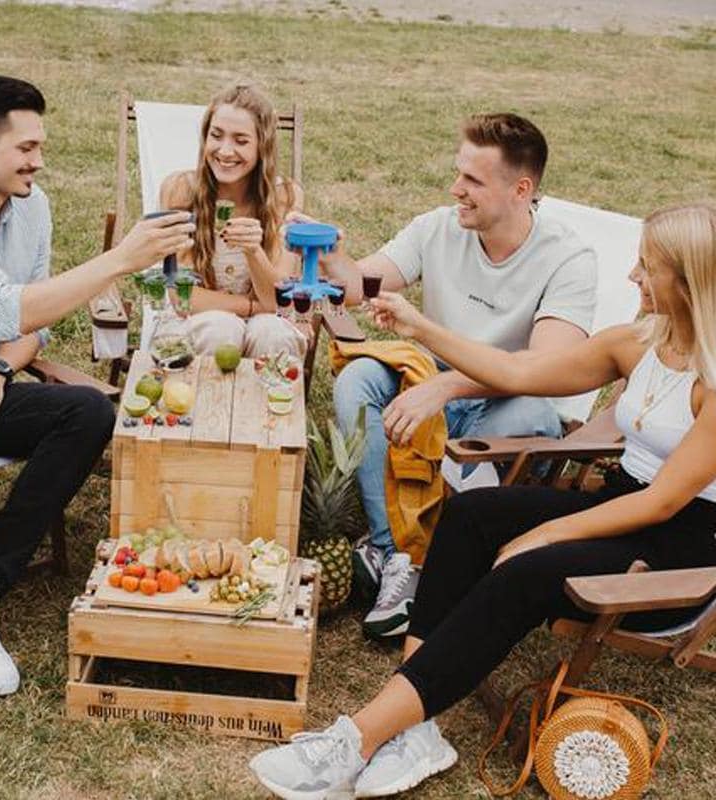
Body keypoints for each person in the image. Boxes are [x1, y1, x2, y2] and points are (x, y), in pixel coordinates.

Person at [250, 202, 716, 799]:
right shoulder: (638, 342)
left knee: (524, 570)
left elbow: (663, 504)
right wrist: (422, 329)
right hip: (623, 503)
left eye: (647, 267)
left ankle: (358, 739)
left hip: (677, 549)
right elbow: (518, 372)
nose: (632, 276)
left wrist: (544, 534)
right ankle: (414, 725)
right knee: (472, 515)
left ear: (689, 281)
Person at [0, 75, 192, 726]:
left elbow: (30, 324)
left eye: (40, 147)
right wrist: (119, 260)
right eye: (27, 147)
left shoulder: (32, 207)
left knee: (88, 411)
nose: (38, 161)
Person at [322, 113, 597, 638]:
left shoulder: (568, 257)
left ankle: (445, 552)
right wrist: (335, 260)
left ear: (521, 189)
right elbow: (361, 286)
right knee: (358, 379)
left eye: (472, 180)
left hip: (508, 395)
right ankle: (397, 553)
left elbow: (545, 369)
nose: (455, 189)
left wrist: (447, 385)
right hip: (429, 377)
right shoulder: (438, 227)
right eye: (458, 173)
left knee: (532, 417)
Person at [158, 83, 307, 359]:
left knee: (273, 333)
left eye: (241, 141)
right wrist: (251, 307)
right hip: (194, 321)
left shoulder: (284, 197)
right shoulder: (180, 191)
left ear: (262, 146)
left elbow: (277, 300)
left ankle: (266, 390)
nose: (225, 151)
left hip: (266, 321)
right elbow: (183, 297)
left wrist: (254, 251)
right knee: (221, 328)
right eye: (216, 136)